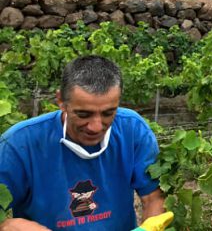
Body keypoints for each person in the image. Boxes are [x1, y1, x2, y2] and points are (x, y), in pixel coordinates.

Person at [0, 55, 167, 231]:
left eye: (108, 113)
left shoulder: (132, 130)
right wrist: (8, 225)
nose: (95, 127)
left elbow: (153, 197)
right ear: (61, 101)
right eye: (83, 114)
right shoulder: (19, 144)